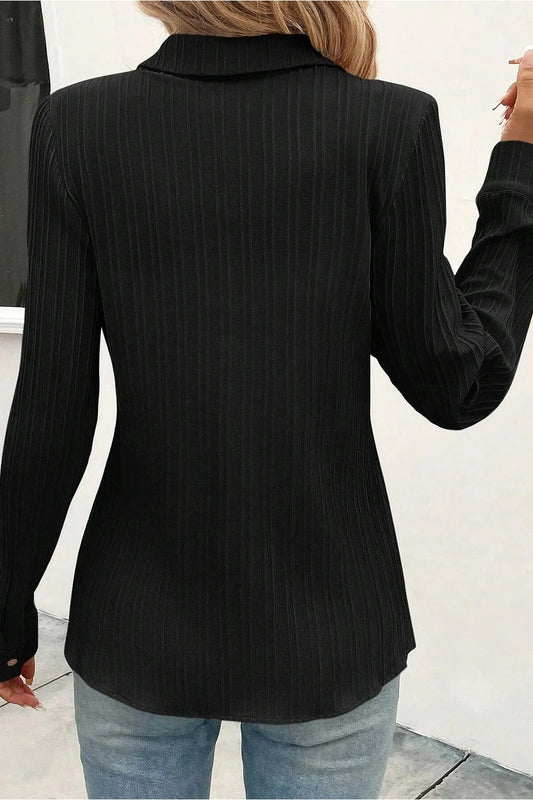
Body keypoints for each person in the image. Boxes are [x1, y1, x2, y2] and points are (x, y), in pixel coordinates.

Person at [0, 1, 532, 798]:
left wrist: (7, 608)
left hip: (135, 617)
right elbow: (459, 382)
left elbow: (52, 404)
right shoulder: (386, 124)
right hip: (330, 621)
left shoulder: (76, 124)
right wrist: (521, 158)